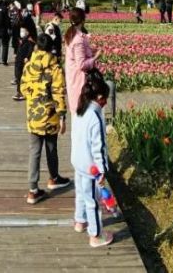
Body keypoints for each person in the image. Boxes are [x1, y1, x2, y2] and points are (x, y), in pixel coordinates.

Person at [20, 32, 70, 203]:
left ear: (36, 47)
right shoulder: (55, 68)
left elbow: (23, 89)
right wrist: (63, 116)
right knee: (51, 147)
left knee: (34, 151)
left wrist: (34, 97)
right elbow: (58, 93)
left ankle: (32, 189)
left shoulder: (28, 66)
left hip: (33, 114)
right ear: (50, 48)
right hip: (50, 115)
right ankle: (54, 178)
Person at [71, 70, 114, 248]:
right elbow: (99, 147)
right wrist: (102, 170)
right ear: (99, 97)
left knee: (81, 193)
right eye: (105, 99)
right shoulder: (96, 117)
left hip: (78, 161)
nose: (105, 103)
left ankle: (80, 221)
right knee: (92, 201)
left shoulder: (80, 109)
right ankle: (95, 235)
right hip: (91, 167)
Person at [63, 7, 99, 111]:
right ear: (83, 20)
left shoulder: (70, 34)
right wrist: (96, 57)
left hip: (72, 76)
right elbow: (81, 64)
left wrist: (89, 51)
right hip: (79, 79)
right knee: (80, 110)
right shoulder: (78, 39)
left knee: (77, 109)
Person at [13, 23, 35, 99]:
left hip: (24, 62)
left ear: (28, 32)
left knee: (23, 77)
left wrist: (27, 57)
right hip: (18, 60)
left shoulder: (30, 41)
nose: (21, 32)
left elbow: (30, 50)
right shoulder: (22, 39)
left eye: (23, 30)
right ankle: (19, 92)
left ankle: (22, 92)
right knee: (18, 76)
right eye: (21, 30)